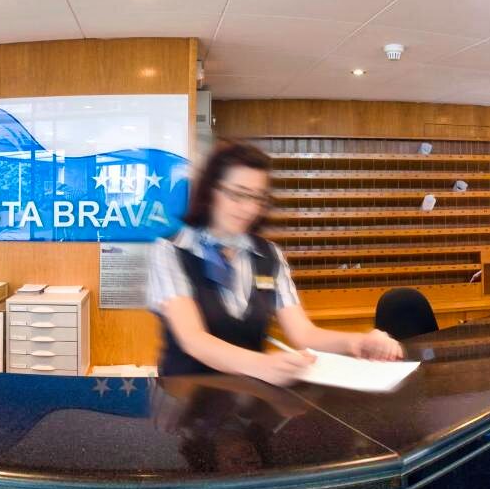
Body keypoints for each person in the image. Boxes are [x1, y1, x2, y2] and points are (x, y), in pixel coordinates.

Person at [148, 142, 403, 385]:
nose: (249, 209)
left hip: (246, 398)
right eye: (237, 194)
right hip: (185, 397)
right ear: (210, 191)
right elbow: (193, 339)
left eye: (257, 198)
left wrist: (357, 342)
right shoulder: (172, 250)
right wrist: (263, 365)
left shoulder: (269, 255)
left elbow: (303, 334)